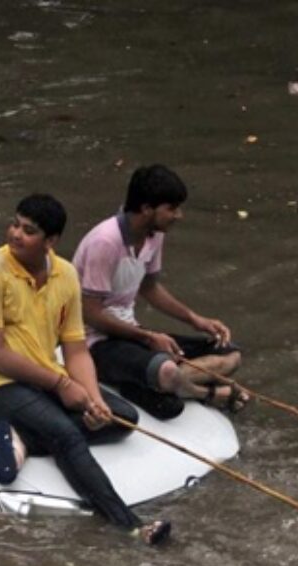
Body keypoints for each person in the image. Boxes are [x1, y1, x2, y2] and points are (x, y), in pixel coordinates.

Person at [0, 193, 171, 545]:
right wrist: (59, 384)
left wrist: (94, 400)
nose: (15, 235)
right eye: (15, 225)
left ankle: (25, 438)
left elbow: (77, 349)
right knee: (66, 435)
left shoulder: (65, 275)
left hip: (39, 370)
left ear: (50, 241)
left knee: (119, 418)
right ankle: (131, 526)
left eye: (29, 231)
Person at [73, 164, 248, 420]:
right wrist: (147, 337)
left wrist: (195, 320)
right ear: (146, 209)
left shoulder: (154, 235)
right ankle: (209, 393)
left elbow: (149, 287)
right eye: (172, 208)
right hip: (96, 342)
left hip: (131, 330)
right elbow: (90, 313)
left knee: (230, 353)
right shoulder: (106, 242)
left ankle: (157, 382)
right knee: (168, 375)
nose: (179, 215)